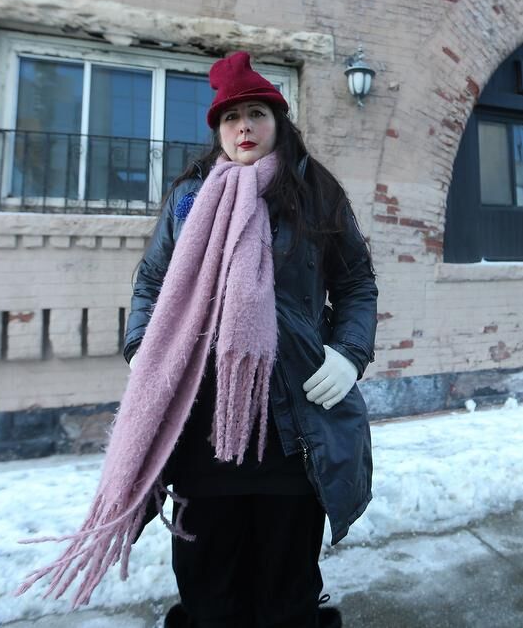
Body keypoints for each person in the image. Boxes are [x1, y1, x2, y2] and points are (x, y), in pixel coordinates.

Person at [122, 51, 379, 628]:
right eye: (231, 116)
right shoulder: (190, 198)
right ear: (217, 129)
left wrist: (349, 352)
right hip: (201, 437)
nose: (244, 126)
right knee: (210, 600)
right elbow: (152, 281)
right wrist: (143, 346)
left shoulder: (317, 194)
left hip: (292, 435)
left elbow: (357, 283)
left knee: (285, 603)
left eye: (257, 113)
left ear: (278, 122)